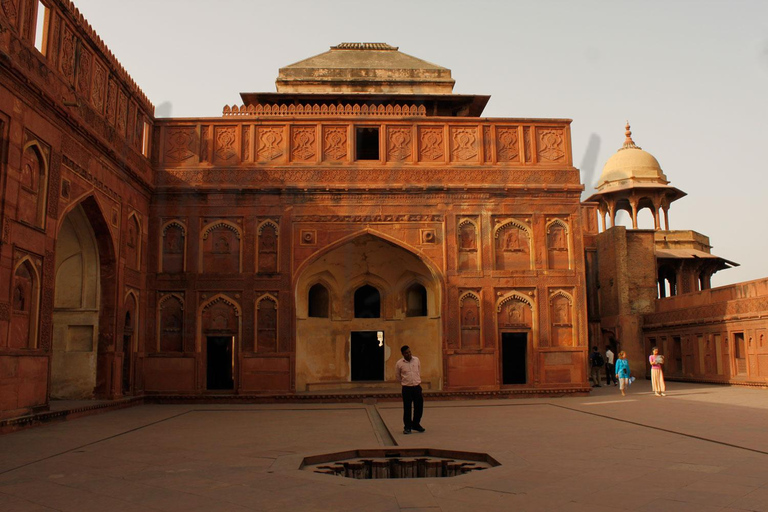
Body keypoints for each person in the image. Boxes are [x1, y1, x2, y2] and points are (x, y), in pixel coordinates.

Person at [395, 345, 425, 434]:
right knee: (407, 408)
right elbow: (398, 376)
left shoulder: (416, 360)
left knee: (419, 407)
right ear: (403, 354)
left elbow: (418, 371)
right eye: (406, 353)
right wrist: (406, 382)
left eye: (409, 352)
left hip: (417, 387)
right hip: (407, 388)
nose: (409, 354)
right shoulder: (399, 363)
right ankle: (407, 427)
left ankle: (416, 424)